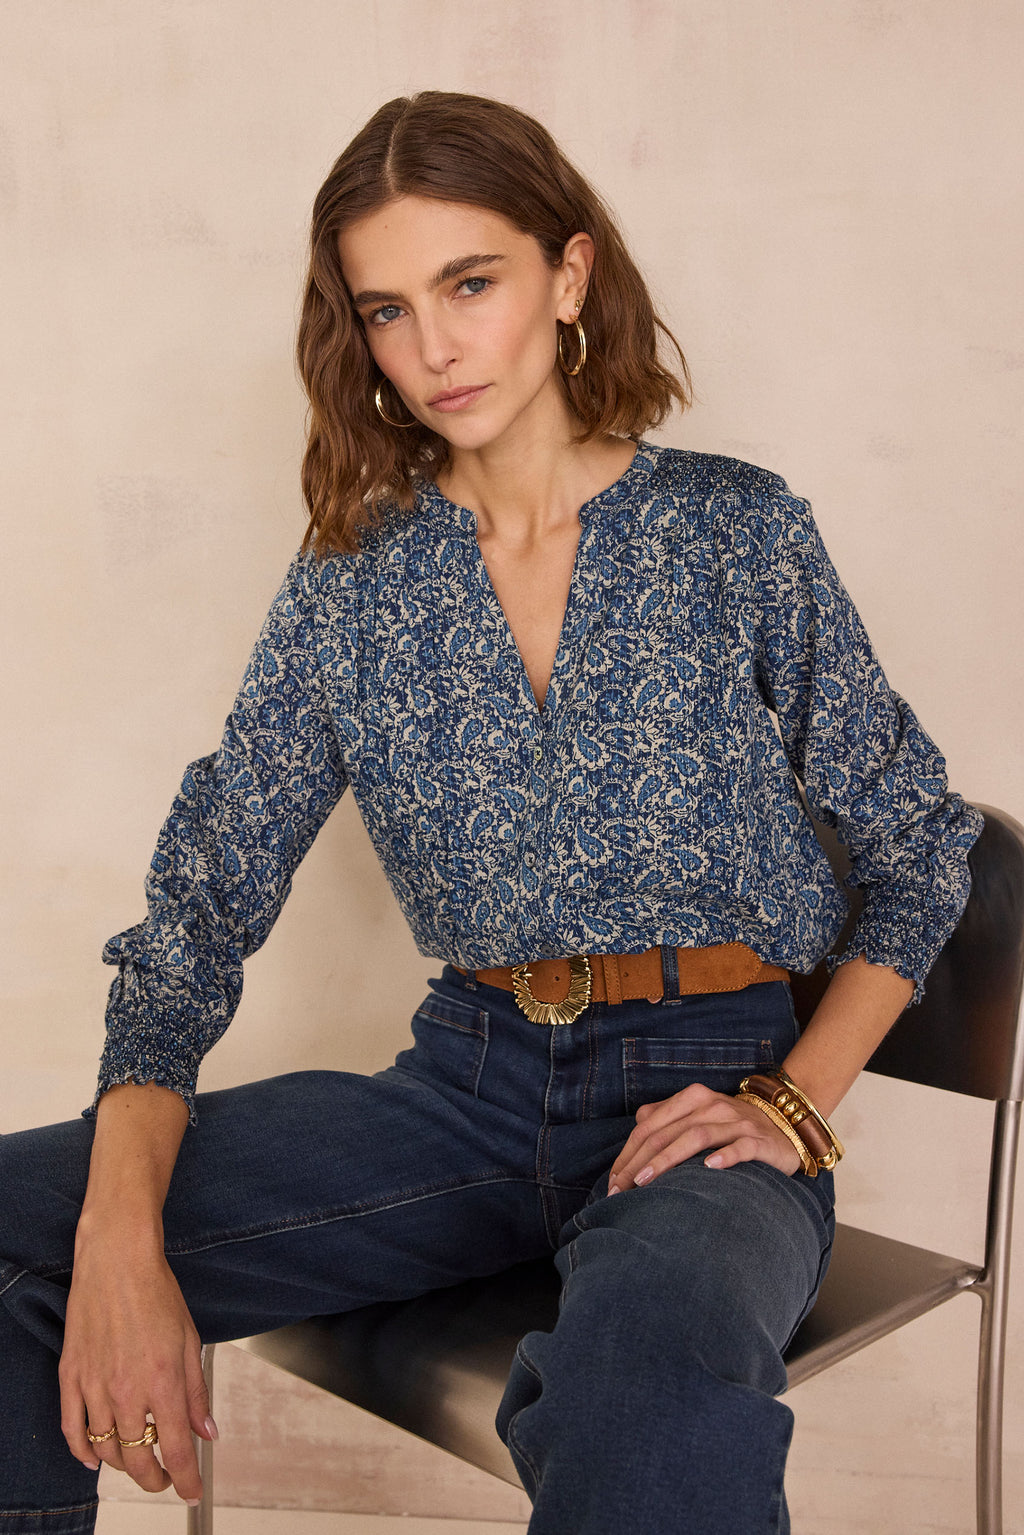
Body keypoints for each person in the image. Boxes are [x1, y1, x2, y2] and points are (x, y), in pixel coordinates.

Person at [1, 90, 983, 1535]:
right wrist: (114, 1235)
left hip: (706, 1102)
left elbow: (920, 844)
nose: (435, 348)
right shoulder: (354, 581)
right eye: (387, 310)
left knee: (642, 1397)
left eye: (471, 284)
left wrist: (792, 1101)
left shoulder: (735, 530)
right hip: (464, 1091)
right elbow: (196, 917)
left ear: (569, 275)